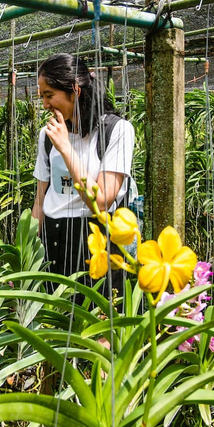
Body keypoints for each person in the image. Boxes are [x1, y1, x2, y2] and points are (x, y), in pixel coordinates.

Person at [31, 53, 134, 296]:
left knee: (98, 325)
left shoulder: (116, 130)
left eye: (49, 95)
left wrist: (66, 149)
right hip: (52, 241)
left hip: (95, 242)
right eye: (42, 96)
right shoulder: (48, 136)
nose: (45, 105)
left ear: (74, 90)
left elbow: (101, 201)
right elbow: (40, 200)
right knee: (52, 323)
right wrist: (26, 252)